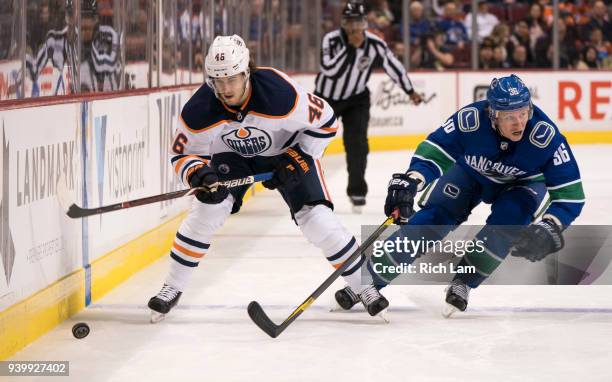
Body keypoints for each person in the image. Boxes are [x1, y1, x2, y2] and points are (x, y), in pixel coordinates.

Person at [147, 34, 388, 322]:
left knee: (318, 221)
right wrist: (198, 172)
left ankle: (366, 287)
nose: (224, 88)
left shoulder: (280, 94)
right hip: (232, 157)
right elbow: (183, 153)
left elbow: (327, 122)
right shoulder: (200, 109)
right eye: (217, 80)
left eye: (232, 79)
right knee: (205, 213)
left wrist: (298, 157)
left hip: (287, 151)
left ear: (246, 72)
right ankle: (171, 288)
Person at [335, 74, 584, 317]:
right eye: (510, 116)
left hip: (523, 183)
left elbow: (570, 195)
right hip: (471, 172)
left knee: (507, 225)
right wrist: (413, 179)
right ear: (493, 114)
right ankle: (367, 280)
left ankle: (464, 281)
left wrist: (551, 224)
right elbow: (436, 149)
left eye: (523, 113)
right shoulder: (471, 120)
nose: (519, 123)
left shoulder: (545, 136)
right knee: (432, 219)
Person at [314, 1, 422, 213]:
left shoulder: (375, 44)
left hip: (357, 98)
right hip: (327, 98)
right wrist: (350, 49)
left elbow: (394, 66)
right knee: (313, 142)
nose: (354, 27)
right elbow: (328, 70)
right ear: (343, 23)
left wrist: (410, 90)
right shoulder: (331, 40)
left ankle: (357, 191)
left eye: (358, 21)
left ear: (364, 22)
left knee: (357, 145)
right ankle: (307, 188)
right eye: (349, 22)